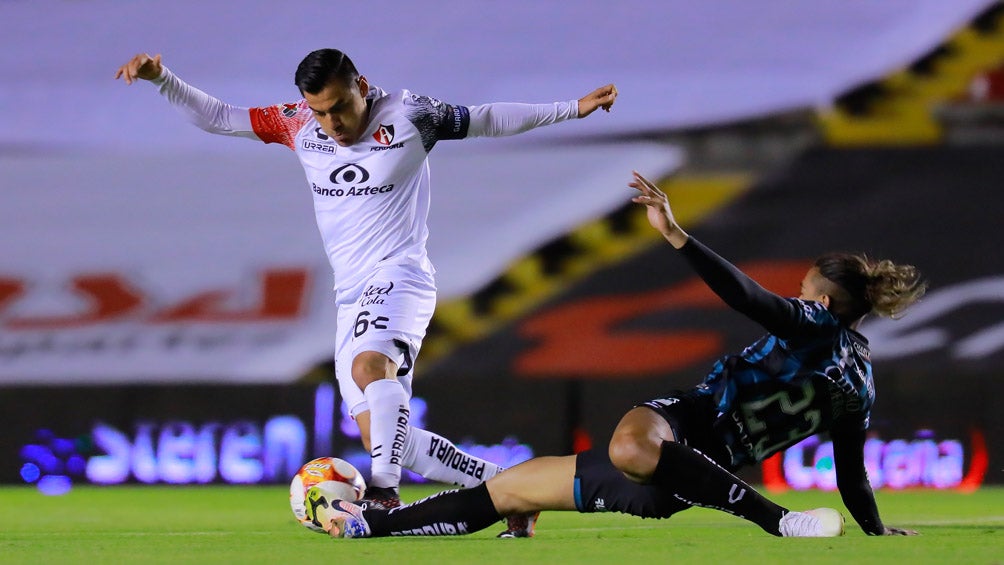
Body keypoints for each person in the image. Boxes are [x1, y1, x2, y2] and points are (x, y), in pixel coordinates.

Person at [115, 49, 618, 536]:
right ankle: (510, 493)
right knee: (387, 438)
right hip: (349, 294)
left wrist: (572, 108)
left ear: (361, 86)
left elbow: (486, 117)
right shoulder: (298, 123)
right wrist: (163, 79)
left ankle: (383, 494)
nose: (331, 123)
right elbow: (221, 116)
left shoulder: (410, 114)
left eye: (339, 107)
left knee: (370, 370)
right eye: (320, 112)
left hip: (401, 275)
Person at [311, 170, 927, 539]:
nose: (797, 296)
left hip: (693, 431)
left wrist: (677, 235)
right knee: (513, 490)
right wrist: (874, 528)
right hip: (698, 467)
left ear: (823, 298)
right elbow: (851, 469)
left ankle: (779, 521)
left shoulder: (813, 321)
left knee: (630, 444)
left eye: (804, 291)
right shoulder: (861, 378)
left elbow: (749, 298)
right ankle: (369, 526)